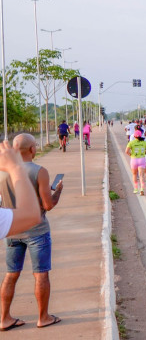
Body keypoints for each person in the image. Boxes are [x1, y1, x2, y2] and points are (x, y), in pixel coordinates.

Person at [1, 134, 62, 330]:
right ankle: (43, 317)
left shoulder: (2, 172)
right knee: (41, 274)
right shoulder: (39, 171)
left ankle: (4, 319)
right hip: (37, 231)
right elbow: (47, 205)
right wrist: (58, 190)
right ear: (32, 150)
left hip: (11, 230)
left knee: (11, 275)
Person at [125, 130, 146, 195]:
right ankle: (142, 188)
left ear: (134, 136)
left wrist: (131, 155)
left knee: (134, 175)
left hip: (134, 159)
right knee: (141, 175)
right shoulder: (144, 143)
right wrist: (143, 153)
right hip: (142, 159)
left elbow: (126, 151)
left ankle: (136, 188)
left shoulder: (131, 143)